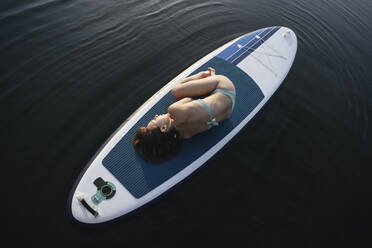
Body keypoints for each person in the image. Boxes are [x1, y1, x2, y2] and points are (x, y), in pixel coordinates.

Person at [132, 67, 236, 163]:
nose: (155, 116)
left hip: (228, 111)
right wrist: (168, 115)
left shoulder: (185, 135)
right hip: (223, 86)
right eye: (154, 120)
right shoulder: (173, 110)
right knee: (176, 91)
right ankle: (205, 75)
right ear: (163, 128)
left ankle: (207, 89)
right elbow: (189, 98)